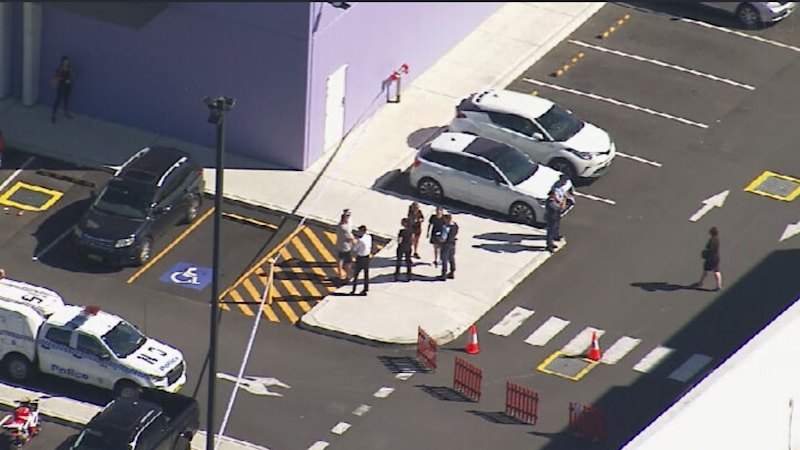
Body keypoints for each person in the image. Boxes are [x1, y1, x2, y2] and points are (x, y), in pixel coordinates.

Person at [693, 226, 722, 291]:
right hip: (716, 257)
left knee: (706, 270)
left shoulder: (711, 240)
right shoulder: (717, 240)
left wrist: (705, 254)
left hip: (710, 258)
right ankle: (719, 285)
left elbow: (709, 249)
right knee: (716, 271)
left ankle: (700, 282)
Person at [52, 56, 75, 124]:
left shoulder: (70, 68)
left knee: (66, 100)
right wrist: (60, 79)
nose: (66, 63)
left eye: (67, 61)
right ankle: (54, 115)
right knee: (58, 101)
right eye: (65, 61)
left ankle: (65, 113)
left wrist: (71, 71)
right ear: (62, 62)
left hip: (68, 87)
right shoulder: (59, 69)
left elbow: (73, 76)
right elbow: (55, 77)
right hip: (61, 87)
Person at [335, 209, 356, 284]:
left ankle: (339, 273)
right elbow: (351, 238)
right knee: (348, 262)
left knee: (340, 259)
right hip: (346, 247)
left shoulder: (339, 225)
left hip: (339, 244)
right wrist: (356, 244)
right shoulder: (345, 228)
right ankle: (348, 276)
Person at [351, 225, 372, 295]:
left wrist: (354, 241)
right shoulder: (369, 237)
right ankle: (366, 287)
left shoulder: (360, 240)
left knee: (356, 274)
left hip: (361, 257)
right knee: (366, 273)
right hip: (367, 256)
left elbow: (355, 249)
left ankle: (354, 289)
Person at [439, 213, 458, 280]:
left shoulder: (446, 228)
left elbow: (443, 238)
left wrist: (439, 240)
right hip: (453, 243)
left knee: (444, 259)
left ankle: (443, 274)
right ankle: (452, 272)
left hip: (446, 244)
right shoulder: (455, 225)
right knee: (451, 258)